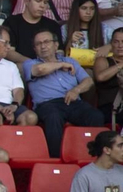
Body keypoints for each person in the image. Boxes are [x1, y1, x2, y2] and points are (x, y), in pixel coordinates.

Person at [23, 28, 103, 158]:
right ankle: (56, 159)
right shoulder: (30, 63)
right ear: (34, 49)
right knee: (53, 116)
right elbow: (40, 69)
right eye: (38, 44)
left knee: (95, 116)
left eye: (46, 42)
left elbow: (88, 81)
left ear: (56, 45)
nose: (43, 46)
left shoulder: (71, 61)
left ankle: (93, 157)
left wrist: (76, 90)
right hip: (48, 104)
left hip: (73, 101)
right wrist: (60, 65)